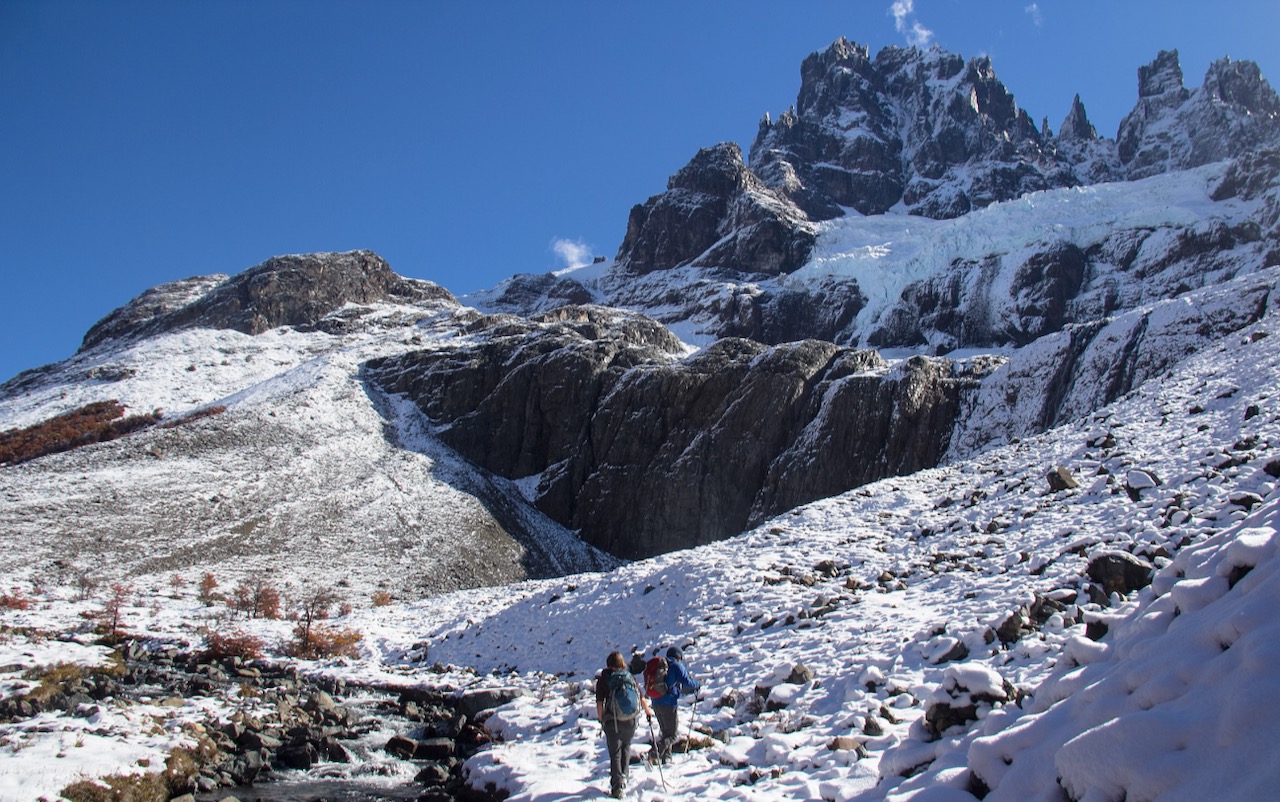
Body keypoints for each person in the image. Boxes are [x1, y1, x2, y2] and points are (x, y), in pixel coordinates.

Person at [595, 650, 651, 799]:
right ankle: (624, 777)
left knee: (615, 753)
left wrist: (601, 719)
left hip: (612, 720)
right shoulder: (629, 676)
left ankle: (617, 787)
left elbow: (600, 702)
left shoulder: (604, 678)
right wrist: (647, 712)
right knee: (626, 746)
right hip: (631, 720)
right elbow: (641, 696)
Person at [650, 646, 700, 764]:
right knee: (672, 735)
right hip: (668, 703)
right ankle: (652, 754)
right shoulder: (676, 666)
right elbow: (687, 682)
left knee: (665, 732)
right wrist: (698, 684)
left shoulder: (660, 665)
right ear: (679, 657)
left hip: (655, 701)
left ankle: (666, 757)